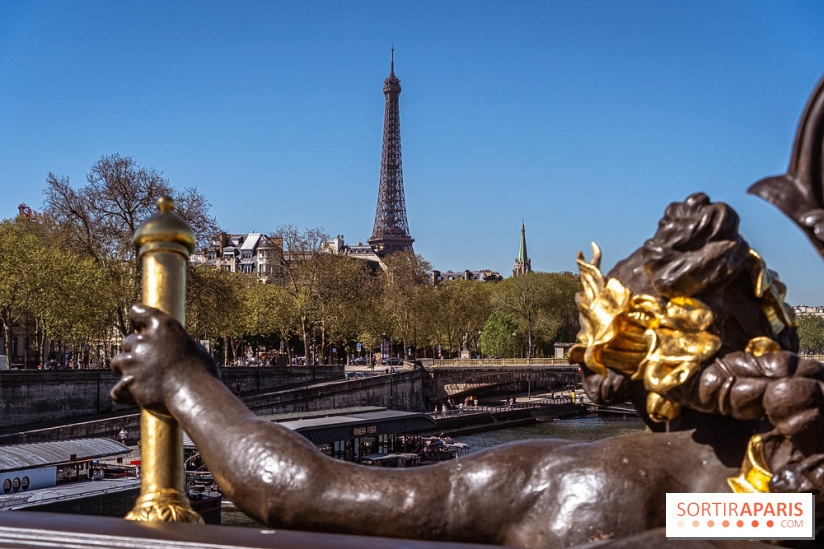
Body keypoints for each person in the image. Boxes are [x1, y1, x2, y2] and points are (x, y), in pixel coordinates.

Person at [111, 305, 746, 547]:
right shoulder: (763, 490)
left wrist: (185, 383)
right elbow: (729, 518)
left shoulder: (578, 479)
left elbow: (299, 490)